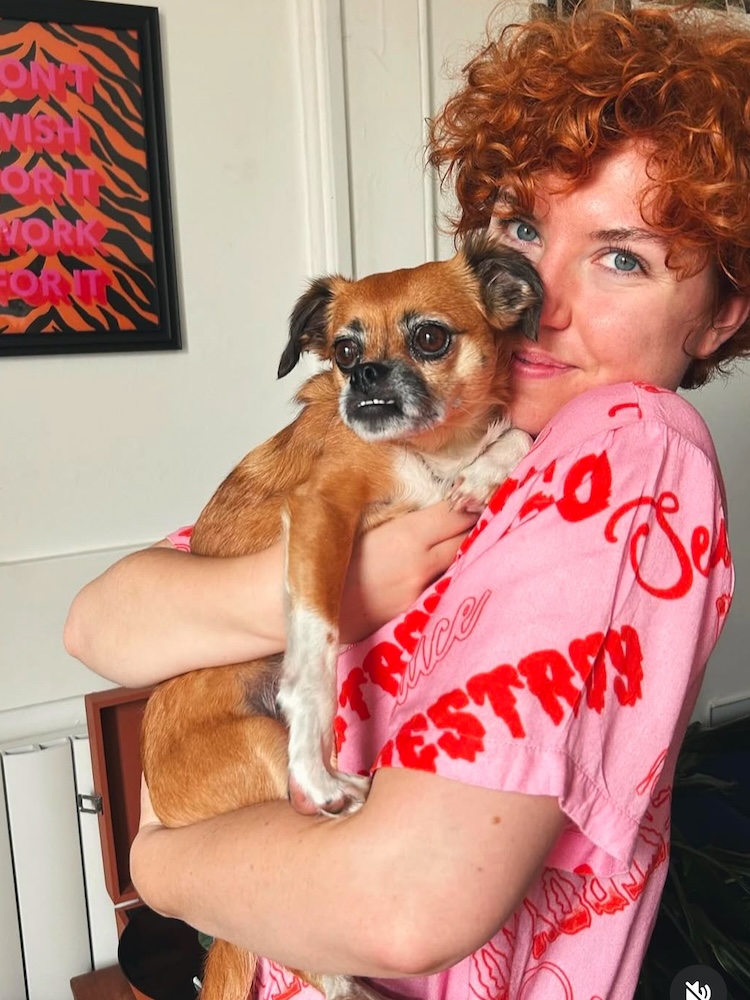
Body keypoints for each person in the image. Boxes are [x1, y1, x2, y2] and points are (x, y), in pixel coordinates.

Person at [65, 2, 750, 997]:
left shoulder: (631, 446)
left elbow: (401, 909)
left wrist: (161, 863)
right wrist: (347, 575)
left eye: (622, 257)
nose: (536, 296)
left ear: (723, 313)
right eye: (520, 227)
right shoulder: (446, 418)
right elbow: (104, 620)